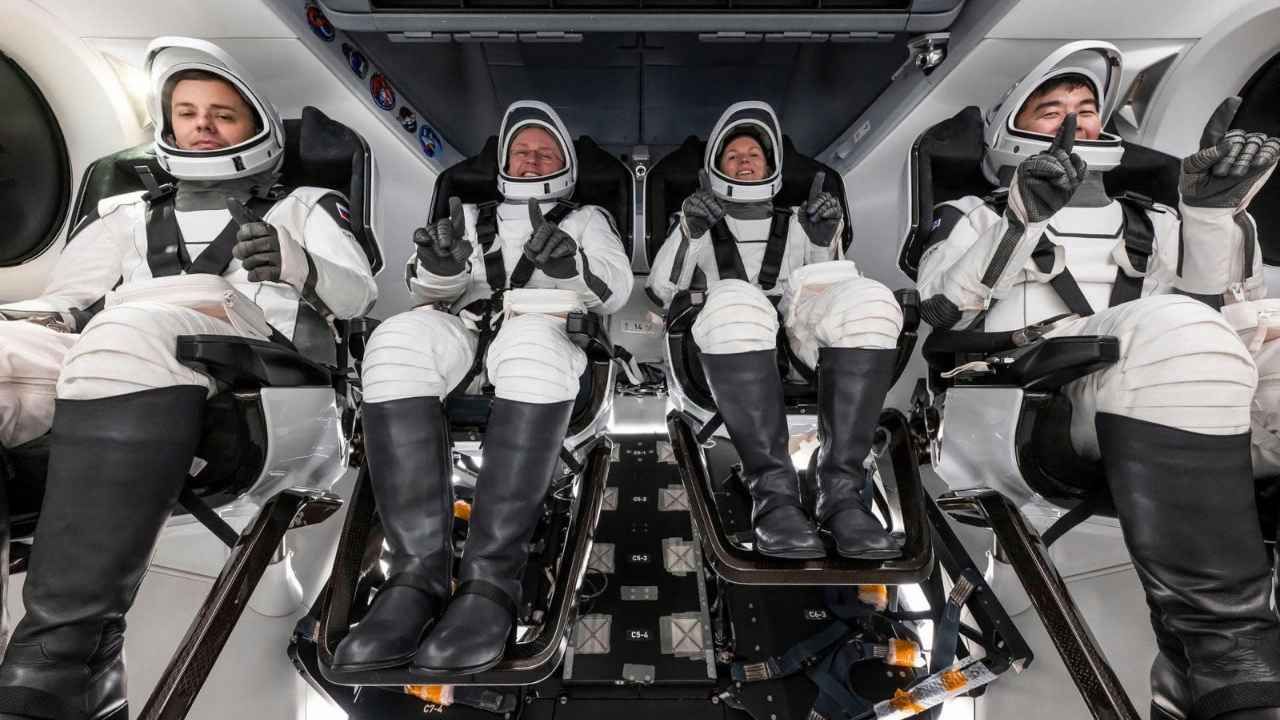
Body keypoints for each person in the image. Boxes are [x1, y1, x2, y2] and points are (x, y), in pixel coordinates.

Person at [0, 36, 376, 719]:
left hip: (260, 370)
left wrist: (298, 263)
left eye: (222, 114)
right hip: (118, 349)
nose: (202, 125)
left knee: (129, 330)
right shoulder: (124, 216)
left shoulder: (304, 207)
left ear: (256, 125)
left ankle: (67, 660)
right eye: (188, 112)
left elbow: (357, 298)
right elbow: (62, 304)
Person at [916, 41, 1280, 720]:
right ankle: (1225, 658)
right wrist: (1021, 217)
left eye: (1086, 108)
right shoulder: (971, 217)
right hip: (1029, 403)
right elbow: (943, 308)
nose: (1075, 120)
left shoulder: (1157, 219)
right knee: (1174, 327)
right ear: (1010, 130)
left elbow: (1226, 318)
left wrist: (1210, 217)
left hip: (1164, 386)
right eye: (1051, 109)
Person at [330, 100, 632, 677]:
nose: (531, 159)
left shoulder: (587, 219)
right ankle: (414, 578)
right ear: (503, 163)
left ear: (566, 165)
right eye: (521, 151)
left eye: (545, 151)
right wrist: (440, 265)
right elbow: (427, 292)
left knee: (530, 345)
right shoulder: (465, 214)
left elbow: (614, 291)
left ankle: (491, 585)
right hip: (467, 329)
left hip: (545, 329)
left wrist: (570, 269)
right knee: (396, 339)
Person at [647, 101, 903, 560]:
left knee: (871, 300)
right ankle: (774, 499)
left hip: (799, 343)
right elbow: (663, 289)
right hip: (727, 338)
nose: (744, 162)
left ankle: (842, 496)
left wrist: (824, 242)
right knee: (736, 299)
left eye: (754, 155)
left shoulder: (802, 223)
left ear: (771, 167)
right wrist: (689, 230)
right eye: (733, 156)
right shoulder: (696, 222)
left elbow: (829, 290)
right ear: (715, 168)